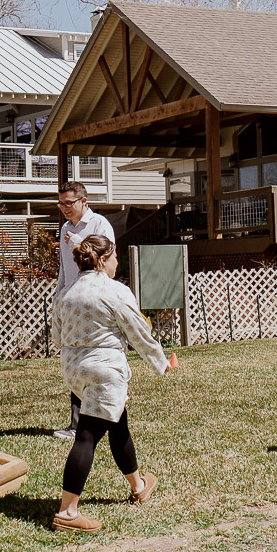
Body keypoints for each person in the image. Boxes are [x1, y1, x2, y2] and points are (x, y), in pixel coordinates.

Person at [51, 235, 169, 533]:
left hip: (74, 371)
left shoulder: (66, 293)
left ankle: (139, 485)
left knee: (118, 423)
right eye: (114, 257)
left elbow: (56, 336)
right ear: (103, 260)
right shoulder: (114, 291)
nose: (117, 262)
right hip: (104, 371)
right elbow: (138, 331)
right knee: (88, 435)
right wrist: (160, 361)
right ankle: (67, 512)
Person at [52, 179, 114, 440]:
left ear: (83, 201)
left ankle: (100, 419)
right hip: (72, 300)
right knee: (75, 359)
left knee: (94, 360)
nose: (65, 208)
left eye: (69, 203)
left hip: (95, 300)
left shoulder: (99, 224)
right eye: (61, 203)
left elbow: (108, 263)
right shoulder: (65, 227)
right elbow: (65, 268)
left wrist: (79, 242)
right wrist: (59, 294)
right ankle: (77, 424)